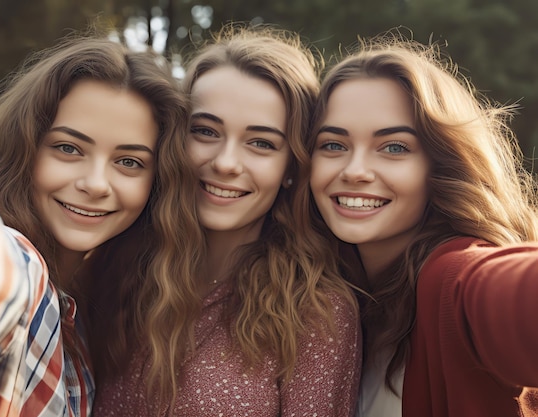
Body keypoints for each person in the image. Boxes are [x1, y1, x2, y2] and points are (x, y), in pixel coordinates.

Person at [0, 33, 199, 416]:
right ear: (24, 148)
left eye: (129, 162)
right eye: (68, 148)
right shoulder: (18, 270)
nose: (95, 184)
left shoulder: (85, 322)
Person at [92, 25, 362, 417]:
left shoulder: (316, 312)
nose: (225, 163)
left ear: (291, 166)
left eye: (261, 143)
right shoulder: (120, 266)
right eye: (205, 131)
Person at [307, 31, 538, 417]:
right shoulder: (329, 304)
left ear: (441, 166)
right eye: (333, 144)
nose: (355, 170)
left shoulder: (452, 277)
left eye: (394, 147)